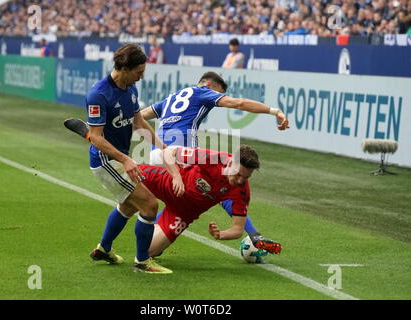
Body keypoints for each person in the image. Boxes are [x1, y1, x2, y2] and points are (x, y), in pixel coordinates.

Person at [65, 71, 288, 251]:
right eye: (218, 94)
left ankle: (90, 135)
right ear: (209, 86)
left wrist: (100, 129)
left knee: (136, 203)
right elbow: (238, 103)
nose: (216, 100)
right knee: (222, 185)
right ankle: (255, 235)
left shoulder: (172, 98)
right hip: (178, 156)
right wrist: (273, 111)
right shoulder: (204, 93)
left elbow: (137, 118)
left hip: (157, 155)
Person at [85, 43, 172, 274]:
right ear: (124, 68)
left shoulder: (131, 90)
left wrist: (162, 147)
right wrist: (125, 160)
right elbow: (95, 137)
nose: (141, 77)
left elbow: (138, 122)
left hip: (119, 158)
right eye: (138, 72)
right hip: (106, 161)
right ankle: (143, 261)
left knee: (128, 205)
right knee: (150, 204)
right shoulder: (99, 94)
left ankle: (104, 248)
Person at [143, 145, 281, 257]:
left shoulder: (242, 191)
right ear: (231, 162)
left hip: (183, 213)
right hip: (168, 185)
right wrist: (176, 177)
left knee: (148, 251)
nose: (240, 181)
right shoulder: (213, 158)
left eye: (246, 177)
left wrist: (220, 235)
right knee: (130, 177)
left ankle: (155, 231)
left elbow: (238, 229)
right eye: (238, 174)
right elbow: (168, 152)